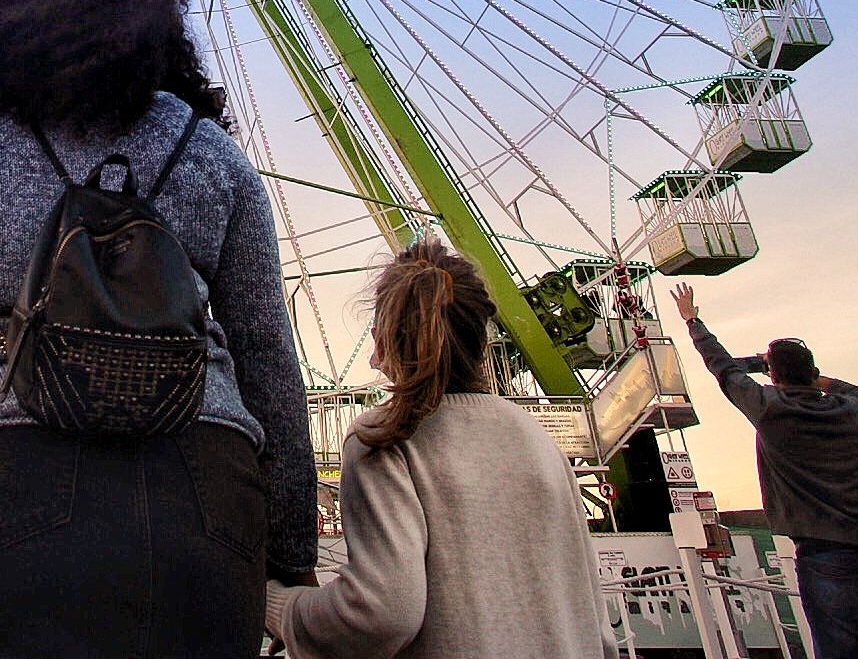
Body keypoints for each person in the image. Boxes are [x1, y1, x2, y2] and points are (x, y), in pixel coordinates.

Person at [0, 0, 318, 658]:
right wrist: (291, 542)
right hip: (206, 488)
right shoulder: (212, 155)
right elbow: (269, 355)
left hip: (9, 482)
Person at [265, 239, 619, 659]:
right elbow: (596, 624)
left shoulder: (385, 439)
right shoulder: (541, 442)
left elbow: (381, 613)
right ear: (482, 341)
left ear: (382, 344)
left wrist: (278, 606)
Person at [670, 283, 858, 659]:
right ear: (813, 372)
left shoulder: (770, 409)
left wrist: (693, 320)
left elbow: (723, 368)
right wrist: (814, 377)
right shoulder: (851, 413)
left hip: (825, 557)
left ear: (773, 377)